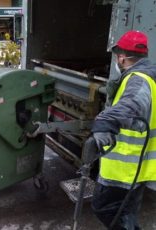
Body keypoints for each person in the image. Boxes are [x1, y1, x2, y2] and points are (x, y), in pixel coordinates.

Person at [90, 30, 156, 229]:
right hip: (136, 165)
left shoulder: (139, 79)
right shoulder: (148, 76)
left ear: (122, 56)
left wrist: (105, 122)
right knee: (126, 212)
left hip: (124, 168)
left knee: (104, 207)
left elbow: (132, 105)